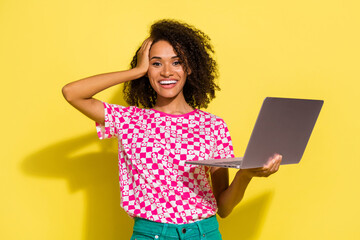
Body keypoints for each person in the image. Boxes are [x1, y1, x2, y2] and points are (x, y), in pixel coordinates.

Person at [62, 19, 282, 240]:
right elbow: (72, 93)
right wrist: (136, 71)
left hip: (204, 233)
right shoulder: (129, 120)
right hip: (151, 234)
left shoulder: (213, 125)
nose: (167, 72)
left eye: (176, 62)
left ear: (190, 67)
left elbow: (223, 208)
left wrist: (246, 174)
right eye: (156, 64)